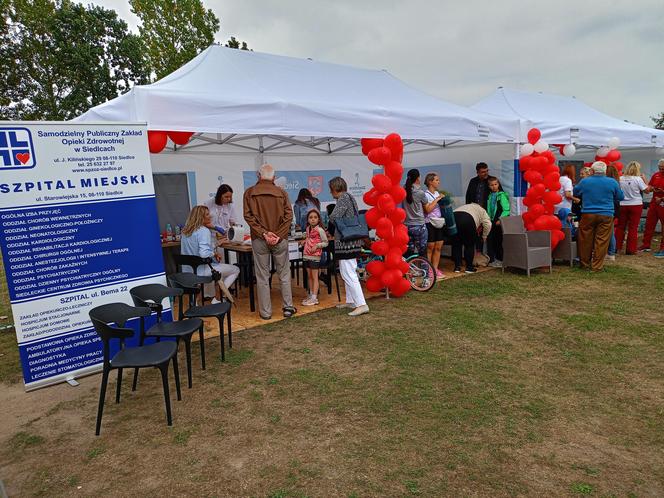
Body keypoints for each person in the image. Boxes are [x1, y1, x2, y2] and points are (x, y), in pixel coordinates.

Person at [243, 163, 296, 319]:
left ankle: (265, 312)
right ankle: (288, 307)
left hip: (259, 239)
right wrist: (278, 235)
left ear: (258, 176)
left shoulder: (250, 192)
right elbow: (289, 216)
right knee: (284, 274)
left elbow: (248, 216)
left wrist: (264, 233)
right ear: (274, 177)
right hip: (279, 239)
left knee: (262, 276)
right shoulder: (282, 193)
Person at [180, 205, 240, 303]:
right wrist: (213, 253)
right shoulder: (203, 231)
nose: (210, 216)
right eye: (207, 214)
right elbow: (204, 254)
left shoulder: (185, 231)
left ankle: (194, 303)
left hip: (188, 271)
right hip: (201, 271)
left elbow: (196, 249)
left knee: (219, 270)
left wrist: (216, 244)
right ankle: (217, 299)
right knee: (235, 270)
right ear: (200, 217)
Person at [328, 176, 369, 316]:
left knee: (348, 272)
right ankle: (351, 301)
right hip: (351, 241)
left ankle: (361, 304)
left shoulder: (343, 198)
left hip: (347, 243)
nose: (330, 193)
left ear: (334, 188)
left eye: (331, 189)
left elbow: (334, 216)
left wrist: (332, 218)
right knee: (348, 272)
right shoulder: (349, 197)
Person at [573, 161, 624, 271]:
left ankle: (584, 264)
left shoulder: (585, 181)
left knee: (585, 239)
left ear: (592, 170)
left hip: (588, 213)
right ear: (605, 171)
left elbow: (576, 192)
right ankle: (597, 266)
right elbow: (620, 197)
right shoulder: (612, 182)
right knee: (602, 240)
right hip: (606, 214)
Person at [616, 161, 650, 255]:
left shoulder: (620, 178)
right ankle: (631, 250)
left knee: (620, 227)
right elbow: (647, 191)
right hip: (636, 204)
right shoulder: (638, 179)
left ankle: (616, 248)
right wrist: (645, 180)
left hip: (623, 204)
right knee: (633, 228)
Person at [452, 203, 491, 274]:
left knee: (456, 244)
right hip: (467, 219)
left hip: (453, 217)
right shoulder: (482, 210)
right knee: (469, 245)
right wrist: (484, 236)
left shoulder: (464, 206)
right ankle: (469, 268)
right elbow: (488, 224)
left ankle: (457, 267)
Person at [300, 209, 328, 306]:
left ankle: (314, 298)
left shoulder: (320, 230)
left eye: (315, 217)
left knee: (315, 277)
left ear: (318, 219)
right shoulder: (307, 229)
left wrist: (317, 246)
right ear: (308, 219)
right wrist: (304, 241)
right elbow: (308, 238)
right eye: (310, 217)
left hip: (315, 256)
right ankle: (311, 295)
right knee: (310, 276)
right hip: (306, 255)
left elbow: (326, 242)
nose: (313, 219)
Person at [638, 159, 664, 257]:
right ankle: (646, 245)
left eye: (663, 169)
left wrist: (661, 198)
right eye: (660, 168)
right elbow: (649, 187)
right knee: (649, 224)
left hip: (661, 203)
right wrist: (652, 187)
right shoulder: (656, 175)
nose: (661, 170)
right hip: (654, 203)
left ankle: (663, 248)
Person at [422, 173, 446, 279]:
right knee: (430, 247)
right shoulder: (425, 195)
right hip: (429, 222)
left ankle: (435, 269)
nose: (438, 182)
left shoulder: (437, 193)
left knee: (438, 247)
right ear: (430, 182)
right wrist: (437, 200)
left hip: (439, 223)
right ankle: (429, 270)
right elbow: (427, 210)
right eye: (436, 180)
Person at [403, 169, 429, 257]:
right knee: (422, 251)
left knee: (409, 251)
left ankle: (408, 269)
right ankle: (424, 270)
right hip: (419, 225)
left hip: (407, 226)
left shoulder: (403, 191)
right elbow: (427, 208)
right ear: (418, 178)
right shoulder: (420, 192)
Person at [485, 176, 510, 267]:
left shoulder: (502, 195)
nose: (494, 186)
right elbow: (488, 209)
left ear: (498, 184)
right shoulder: (489, 196)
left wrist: (500, 219)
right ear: (489, 186)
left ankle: (500, 259)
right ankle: (491, 260)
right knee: (490, 240)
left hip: (498, 221)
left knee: (498, 241)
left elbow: (506, 209)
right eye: (491, 185)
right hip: (490, 220)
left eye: (496, 184)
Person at [605, 165, 621, 260]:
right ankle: (611, 251)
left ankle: (611, 252)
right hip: (615, 207)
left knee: (610, 231)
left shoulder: (610, 182)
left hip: (611, 207)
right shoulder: (616, 182)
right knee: (610, 230)